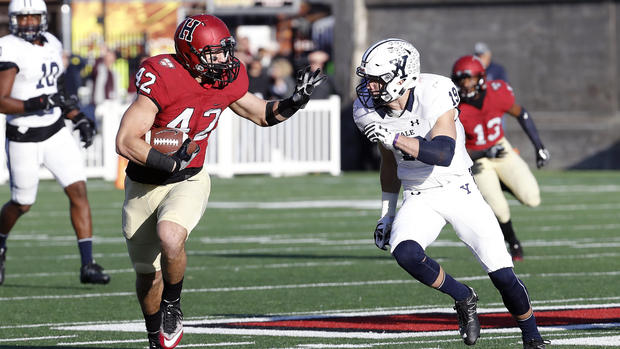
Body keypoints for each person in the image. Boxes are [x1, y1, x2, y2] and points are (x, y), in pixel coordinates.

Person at [115, 14, 325, 349]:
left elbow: (260, 113)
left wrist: (294, 102)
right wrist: (167, 159)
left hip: (189, 178)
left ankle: (172, 305)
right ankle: (155, 334)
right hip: (144, 184)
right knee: (146, 274)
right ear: (190, 53)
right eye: (214, 54)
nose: (224, 60)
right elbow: (126, 140)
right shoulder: (162, 75)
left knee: (171, 236)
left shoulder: (226, 78)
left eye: (225, 51)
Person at [353, 38, 549, 349]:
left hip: (459, 188)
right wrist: (386, 214)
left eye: (377, 80)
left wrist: (397, 137)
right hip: (418, 194)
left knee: (502, 274)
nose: (370, 87)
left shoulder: (435, 91)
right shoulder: (366, 109)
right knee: (404, 252)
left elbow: (442, 152)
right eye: (369, 80)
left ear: (402, 76)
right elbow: (388, 162)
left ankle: (532, 336)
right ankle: (463, 296)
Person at [0, 0, 109, 286]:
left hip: (56, 129)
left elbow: (57, 88)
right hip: (24, 134)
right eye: (22, 19)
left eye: (33, 17)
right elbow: (1, 100)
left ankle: (88, 264)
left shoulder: (50, 41)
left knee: (78, 190)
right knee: (22, 203)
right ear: (13, 20)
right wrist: (36, 102)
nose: (28, 24)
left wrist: (76, 116)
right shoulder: (8, 47)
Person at [451, 55, 550, 261]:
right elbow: (453, 150)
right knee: (499, 208)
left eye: (468, 79)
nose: (465, 84)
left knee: (532, 198)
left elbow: (521, 113)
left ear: (481, 77)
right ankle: (513, 242)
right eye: (460, 80)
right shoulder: (454, 108)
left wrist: (538, 146)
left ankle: (504, 183)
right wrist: (483, 153)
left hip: (501, 149)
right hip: (475, 158)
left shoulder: (497, 93)